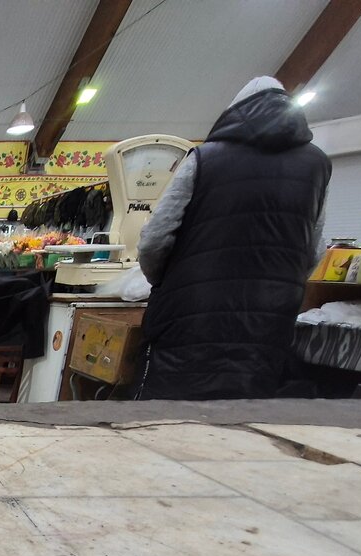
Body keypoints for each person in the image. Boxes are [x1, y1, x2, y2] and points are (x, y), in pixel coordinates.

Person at [135, 77, 330, 400]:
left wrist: (163, 283)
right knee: (241, 417)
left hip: (190, 316)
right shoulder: (317, 166)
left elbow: (155, 239)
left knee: (162, 415)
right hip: (268, 325)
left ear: (235, 111)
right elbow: (313, 251)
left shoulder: (206, 158)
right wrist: (278, 286)